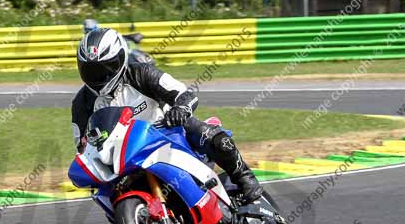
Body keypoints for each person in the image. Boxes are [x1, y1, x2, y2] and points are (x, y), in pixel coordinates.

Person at [71, 27, 264, 204]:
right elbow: (82, 146)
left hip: (166, 132)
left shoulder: (141, 73)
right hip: (122, 158)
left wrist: (180, 110)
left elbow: (184, 94)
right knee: (104, 194)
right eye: (91, 70)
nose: (98, 77)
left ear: (120, 59)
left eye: (106, 68)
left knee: (211, 136)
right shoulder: (82, 103)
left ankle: (245, 179)